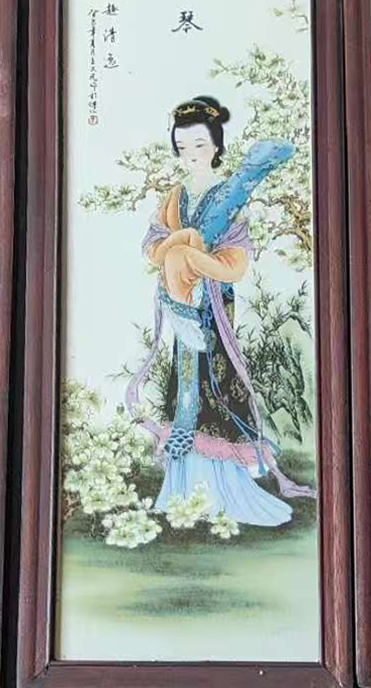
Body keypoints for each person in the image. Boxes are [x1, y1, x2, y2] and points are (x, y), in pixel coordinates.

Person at [126, 96, 314, 526]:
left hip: (212, 300)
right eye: (183, 147)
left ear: (215, 146)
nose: (191, 155)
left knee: (217, 377)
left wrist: (196, 258)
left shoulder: (231, 194)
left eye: (199, 145)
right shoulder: (175, 196)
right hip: (180, 297)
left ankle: (224, 487)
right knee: (184, 378)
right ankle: (182, 490)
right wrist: (180, 246)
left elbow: (236, 260)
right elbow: (153, 243)